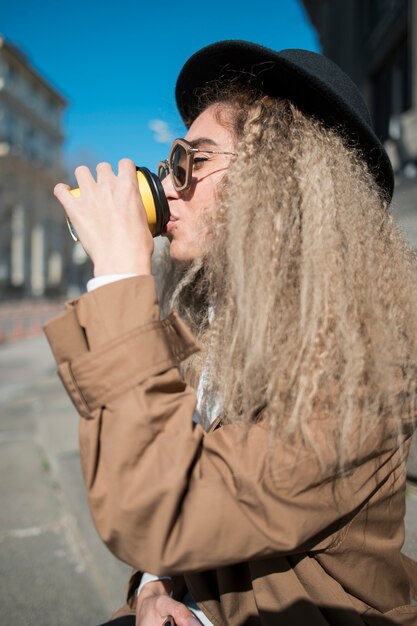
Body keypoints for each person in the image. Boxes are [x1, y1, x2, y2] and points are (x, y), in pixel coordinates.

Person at [44, 40, 417, 625]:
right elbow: (145, 470)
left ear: (279, 184)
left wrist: (119, 273)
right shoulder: (208, 319)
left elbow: (156, 505)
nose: (167, 185)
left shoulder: (363, 364)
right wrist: (151, 585)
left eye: (192, 160)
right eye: (170, 161)